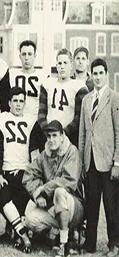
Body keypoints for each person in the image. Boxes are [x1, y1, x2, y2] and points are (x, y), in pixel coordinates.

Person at [0, 87, 44, 252]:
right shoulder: (1, 120)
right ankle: (23, 235)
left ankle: (19, 233)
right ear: (9, 103)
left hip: (24, 172)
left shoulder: (31, 122)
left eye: (21, 101)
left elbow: (35, 151)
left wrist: (34, 174)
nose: (18, 105)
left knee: (24, 198)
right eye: (15, 101)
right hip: (6, 172)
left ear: (25, 103)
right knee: (1, 191)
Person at [23, 120, 84, 257]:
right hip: (54, 207)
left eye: (55, 136)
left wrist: (45, 189)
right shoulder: (45, 154)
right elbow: (28, 176)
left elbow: (69, 181)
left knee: (59, 191)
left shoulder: (71, 151)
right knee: (30, 219)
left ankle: (64, 243)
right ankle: (51, 235)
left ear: (62, 136)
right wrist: (38, 193)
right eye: (48, 136)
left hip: (74, 207)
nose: (51, 140)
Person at [78, 58, 119, 255]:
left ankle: (115, 244)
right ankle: (89, 245)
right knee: (91, 205)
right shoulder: (87, 100)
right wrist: (82, 162)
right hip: (90, 162)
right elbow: (83, 134)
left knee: (112, 206)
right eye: (94, 73)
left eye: (101, 73)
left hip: (109, 161)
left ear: (106, 75)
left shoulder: (114, 98)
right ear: (91, 75)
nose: (97, 77)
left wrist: (117, 162)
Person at [38, 49, 88, 146]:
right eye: (59, 63)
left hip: (69, 138)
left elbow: (79, 117)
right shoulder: (47, 84)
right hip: (49, 138)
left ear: (71, 65)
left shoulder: (79, 87)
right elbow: (41, 114)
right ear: (56, 65)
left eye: (65, 63)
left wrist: (63, 134)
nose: (62, 67)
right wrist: (49, 133)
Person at [8, 40, 47, 118]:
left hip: (35, 119)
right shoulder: (11, 74)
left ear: (35, 56)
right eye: (24, 54)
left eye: (30, 54)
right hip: (15, 119)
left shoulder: (43, 76)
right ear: (20, 56)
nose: (26, 58)